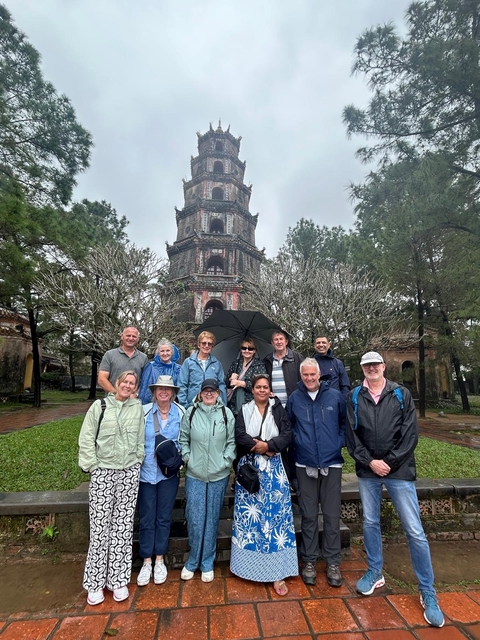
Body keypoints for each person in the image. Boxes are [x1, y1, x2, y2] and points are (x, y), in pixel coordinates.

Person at [345, 351, 445, 628]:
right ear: (362, 368)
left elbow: (410, 434)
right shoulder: (354, 396)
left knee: (414, 530)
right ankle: (375, 571)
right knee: (370, 522)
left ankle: (427, 590)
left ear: (384, 366)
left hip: (398, 470)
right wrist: (370, 462)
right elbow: (351, 437)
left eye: (376, 364)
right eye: (367, 365)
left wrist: (387, 462)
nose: (372, 368)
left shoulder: (400, 394)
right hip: (368, 471)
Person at [78, 370, 144, 606]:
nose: (127, 386)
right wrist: (93, 467)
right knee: (99, 529)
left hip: (128, 472)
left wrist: (138, 460)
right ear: (116, 384)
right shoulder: (100, 406)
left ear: (135, 387)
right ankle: (95, 582)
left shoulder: (137, 408)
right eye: (124, 382)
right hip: (104, 471)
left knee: (122, 528)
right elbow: (86, 437)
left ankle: (117, 579)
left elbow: (140, 437)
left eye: (132, 383)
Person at [230, 374, 298, 595]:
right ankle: (247, 567)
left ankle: (277, 571)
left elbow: (288, 434)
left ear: (270, 390)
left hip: (275, 469)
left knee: (275, 519)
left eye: (265, 387)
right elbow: (239, 435)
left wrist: (269, 446)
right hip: (250, 470)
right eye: (258, 387)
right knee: (251, 520)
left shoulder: (278, 409)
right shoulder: (245, 409)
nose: (261, 390)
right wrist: (258, 447)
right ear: (252, 390)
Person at [286, 358, 346, 587]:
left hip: (331, 463)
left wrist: (337, 443)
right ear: (301, 376)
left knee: (331, 516)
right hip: (305, 463)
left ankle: (332, 561)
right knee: (309, 515)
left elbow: (344, 423)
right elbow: (289, 427)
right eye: (305, 375)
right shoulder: (295, 399)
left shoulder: (334, 397)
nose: (309, 378)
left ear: (319, 374)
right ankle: (309, 560)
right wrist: (299, 444)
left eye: (313, 374)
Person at [179, 379, 235, 582]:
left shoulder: (225, 414)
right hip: (195, 474)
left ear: (219, 394)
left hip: (219, 474)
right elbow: (183, 439)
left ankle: (207, 561)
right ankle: (193, 560)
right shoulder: (191, 413)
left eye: (213, 391)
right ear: (200, 393)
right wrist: (188, 458)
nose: (209, 394)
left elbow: (231, 442)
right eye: (206, 391)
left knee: (211, 518)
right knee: (195, 518)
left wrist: (225, 461)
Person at [136, 375, 185, 587]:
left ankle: (159, 559)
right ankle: (146, 560)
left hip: (168, 474)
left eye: (168, 389)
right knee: (147, 517)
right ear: (154, 392)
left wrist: (178, 460)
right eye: (159, 389)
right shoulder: (143, 412)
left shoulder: (181, 413)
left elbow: (185, 439)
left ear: (173, 392)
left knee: (164, 517)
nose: (163, 392)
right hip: (146, 472)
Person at [177, 331, 227, 408]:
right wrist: (184, 405)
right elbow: (182, 385)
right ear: (199, 344)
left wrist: (223, 404)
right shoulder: (188, 362)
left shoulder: (217, 364)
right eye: (204, 343)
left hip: (212, 406)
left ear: (212, 346)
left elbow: (221, 385)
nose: (206, 346)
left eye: (209, 344)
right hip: (192, 405)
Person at [98, 327, 148, 397]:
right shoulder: (109, 355)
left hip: (133, 402)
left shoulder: (143, 358)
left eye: (134, 336)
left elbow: (145, 381)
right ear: (122, 336)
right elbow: (101, 379)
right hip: (112, 401)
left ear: (138, 339)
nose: (131, 338)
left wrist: (136, 394)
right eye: (128, 335)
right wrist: (116, 395)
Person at [226, 337, 267, 416]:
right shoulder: (236, 363)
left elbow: (260, 385)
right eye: (244, 348)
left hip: (251, 405)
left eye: (250, 348)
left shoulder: (259, 365)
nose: (247, 351)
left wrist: (242, 383)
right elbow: (227, 383)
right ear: (241, 350)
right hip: (234, 405)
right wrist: (230, 378)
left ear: (254, 351)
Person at [263, 330, 303, 406]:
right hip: (274, 405)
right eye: (276, 339)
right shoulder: (267, 360)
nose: (279, 342)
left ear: (286, 341)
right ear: (272, 343)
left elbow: (304, 379)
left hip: (294, 403)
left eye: (281, 339)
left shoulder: (297, 358)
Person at [138, 338, 182, 404]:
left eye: (167, 350)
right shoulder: (151, 367)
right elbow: (145, 389)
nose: (165, 353)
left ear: (172, 352)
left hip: (172, 405)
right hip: (153, 405)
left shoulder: (178, 369)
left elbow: (181, 390)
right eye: (162, 351)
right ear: (158, 353)